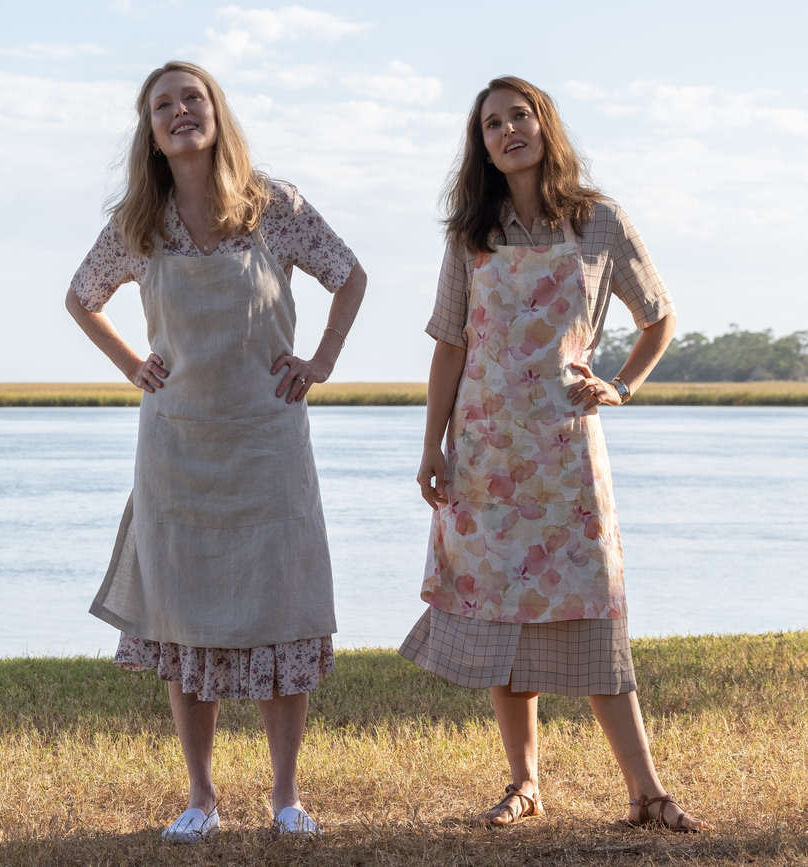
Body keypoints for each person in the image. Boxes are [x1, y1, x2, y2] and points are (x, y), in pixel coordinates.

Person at [399, 75, 712, 832]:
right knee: (504, 619)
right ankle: (524, 784)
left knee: (596, 615)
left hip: (566, 454)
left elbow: (658, 315)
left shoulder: (598, 220)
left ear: (546, 125)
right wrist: (433, 443)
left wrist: (623, 385)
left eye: (520, 116)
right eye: (492, 124)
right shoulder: (471, 231)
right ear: (481, 145)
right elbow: (450, 342)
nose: (508, 131)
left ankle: (647, 792)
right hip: (482, 451)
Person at [65, 60, 366, 842]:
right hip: (177, 453)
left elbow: (350, 275)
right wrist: (133, 364)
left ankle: (286, 797)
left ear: (216, 112)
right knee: (184, 620)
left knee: (283, 612)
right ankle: (200, 796)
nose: (179, 113)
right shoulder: (141, 221)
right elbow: (81, 297)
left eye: (191, 99)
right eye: (163, 106)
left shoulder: (275, 205)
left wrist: (322, 360)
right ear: (152, 130)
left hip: (269, 447)